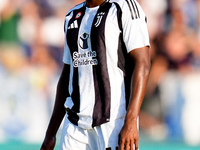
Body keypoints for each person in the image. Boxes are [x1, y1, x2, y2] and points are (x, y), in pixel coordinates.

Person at [40, 0, 150, 149]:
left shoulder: (123, 7)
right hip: (74, 124)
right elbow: (67, 76)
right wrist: (51, 133)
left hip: (113, 122)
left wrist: (131, 121)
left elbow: (142, 64)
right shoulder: (72, 16)